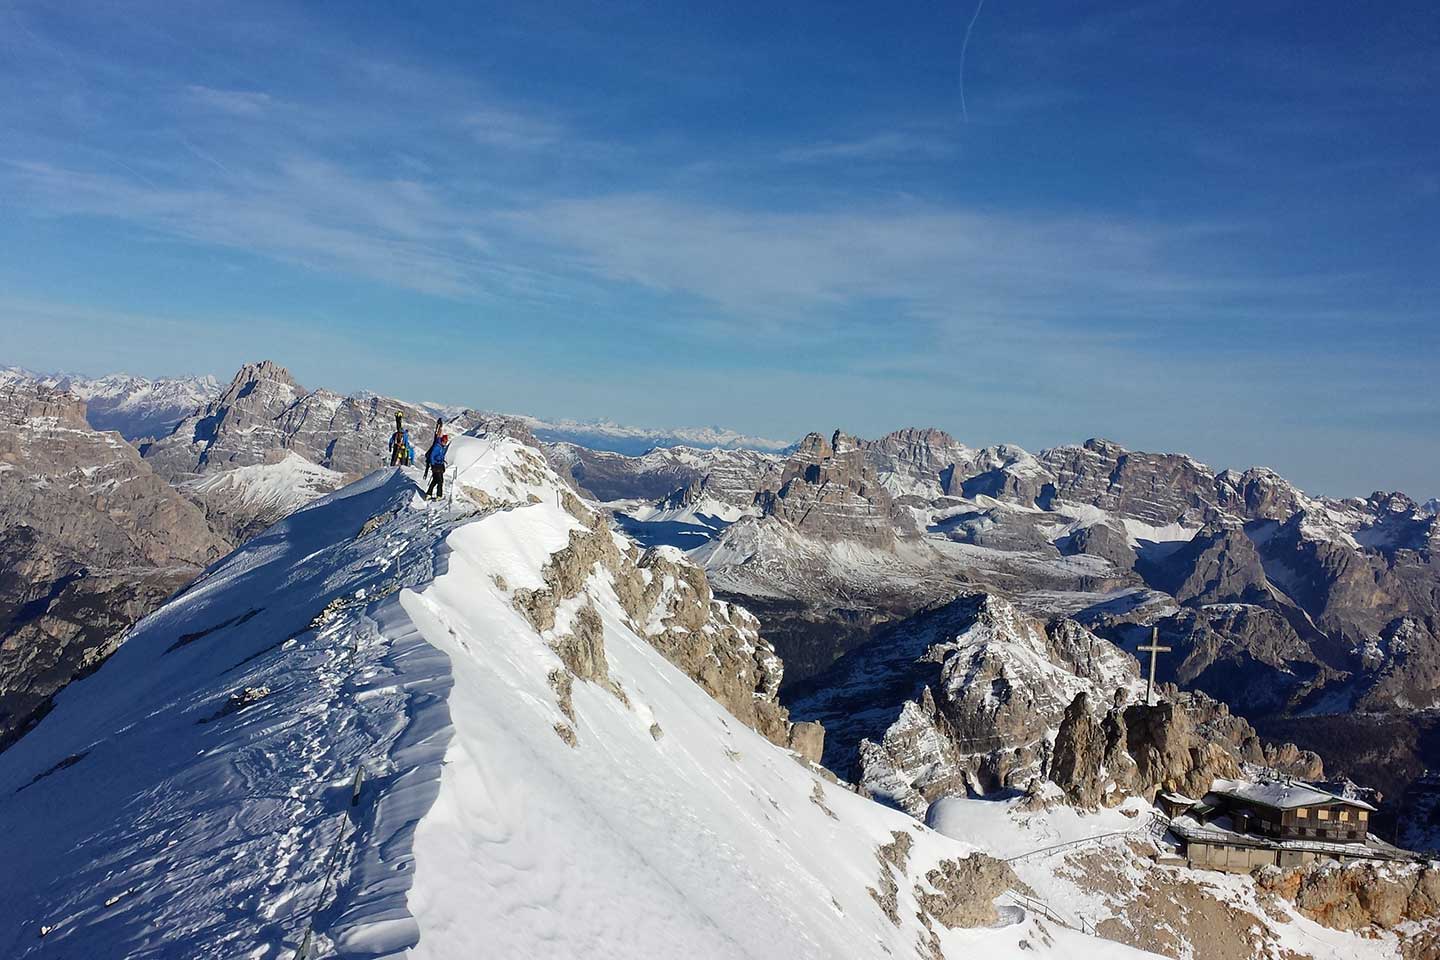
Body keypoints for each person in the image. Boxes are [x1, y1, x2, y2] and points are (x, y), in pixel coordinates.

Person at [424, 430, 450, 499]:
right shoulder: (437, 447)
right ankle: (439, 495)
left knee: (435, 480)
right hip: (436, 465)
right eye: (444, 441)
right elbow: (432, 456)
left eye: (446, 442)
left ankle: (429, 493)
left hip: (439, 465)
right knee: (440, 481)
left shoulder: (441, 446)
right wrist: (433, 465)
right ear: (442, 440)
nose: (445, 443)